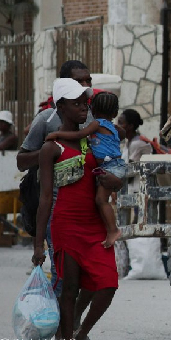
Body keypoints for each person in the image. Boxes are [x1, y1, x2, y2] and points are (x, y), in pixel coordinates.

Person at [32, 78, 121, 340]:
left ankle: (81, 332)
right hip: (66, 225)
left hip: (95, 225)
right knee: (69, 289)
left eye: (86, 103)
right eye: (77, 104)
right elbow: (45, 198)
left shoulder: (93, 140)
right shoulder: (51, 147)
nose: (84, 108)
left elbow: (113, 171)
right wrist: (38, 244)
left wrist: (117, 182)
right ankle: (67, 338)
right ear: (60, 107)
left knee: (108, 283)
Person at [17, 60, 95, 303]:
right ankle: (58, 329)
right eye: (78, 81)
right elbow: (21, 161)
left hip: (88, 207)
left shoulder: (92, 118)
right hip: (56, 208)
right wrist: (50, 153)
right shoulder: (46, 120)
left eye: (87, 80)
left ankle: (72, 328)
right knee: (64, 277)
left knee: (94, 277)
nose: (85, 85)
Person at [45, 91, 126, 248]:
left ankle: (112, 230)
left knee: (101, 200)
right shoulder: (113, 128)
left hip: (109, 167)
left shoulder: (97, 124)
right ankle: (109, 229)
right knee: (102, 199)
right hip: (116, 165)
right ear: (115, 113)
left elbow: (80, 134)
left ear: (92, 111)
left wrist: (57, 133)